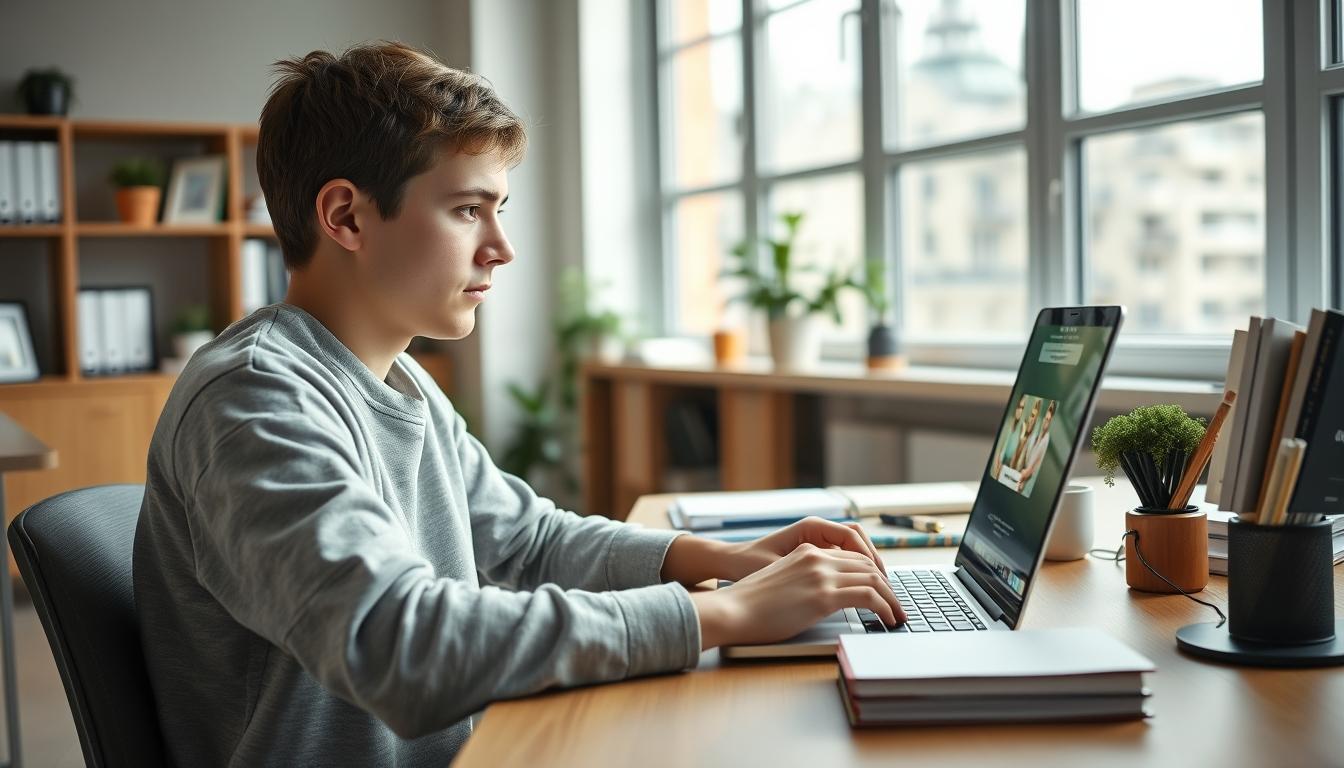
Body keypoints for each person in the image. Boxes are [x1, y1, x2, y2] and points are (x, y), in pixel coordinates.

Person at [132, 41, 905, 767]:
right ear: (346, 217)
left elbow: (525, 542)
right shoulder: (254, 400)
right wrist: (720, 615)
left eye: (498, 209)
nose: (501, 247)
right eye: (468, 209)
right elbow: (398, 644)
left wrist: (724, 561)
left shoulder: (401, 378)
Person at [1016, 400, 1057, 493]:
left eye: (1048, 420)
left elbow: (1033, 468)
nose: (1045, 422)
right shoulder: (1035, 436)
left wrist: (1024, 474)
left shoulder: (1046, 441)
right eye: (1045, 418)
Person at [991, 395, 1028, 479]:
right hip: (997, 465)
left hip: (1007, 468)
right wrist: (997, 466)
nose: (1019, 410)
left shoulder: (1021, 428)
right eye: (1019, 407)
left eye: (1022, 408)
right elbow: (998, 450)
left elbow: (1016, 454)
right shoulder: (1008, 424)